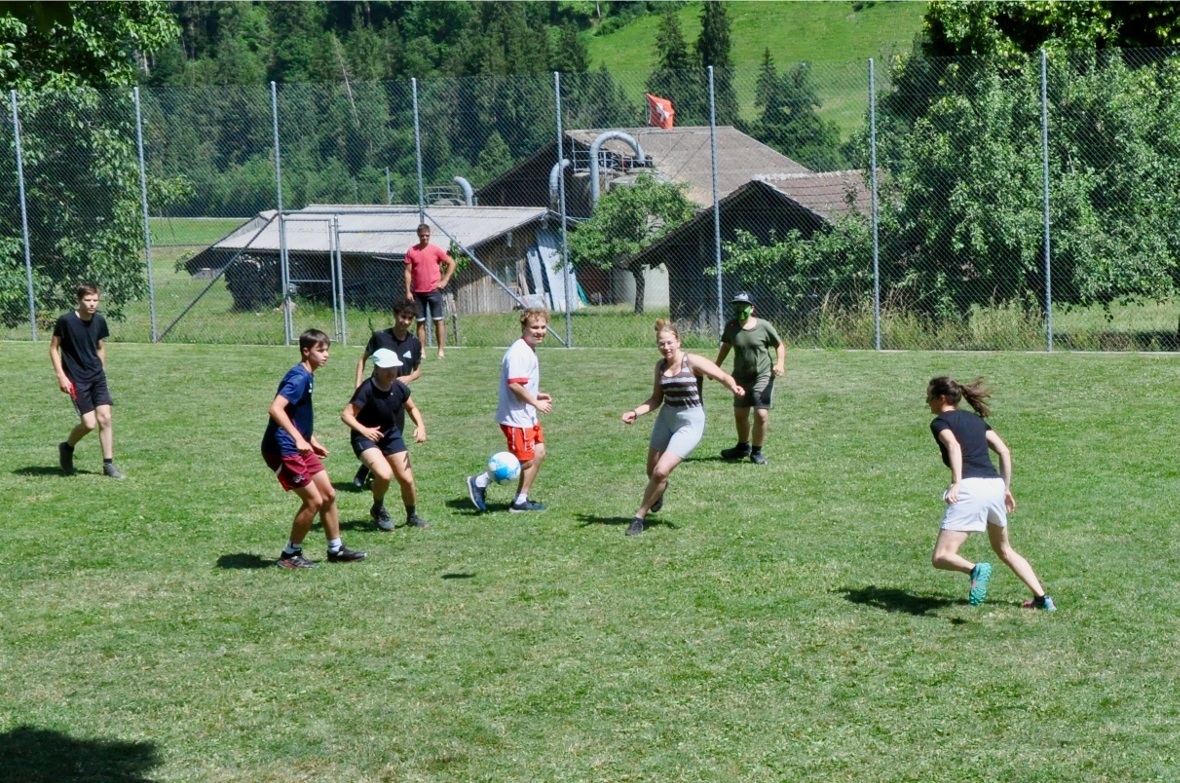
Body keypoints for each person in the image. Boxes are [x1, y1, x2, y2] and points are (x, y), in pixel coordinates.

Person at [926, 376, 1055, 610]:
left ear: (942, 398)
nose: (927, 402)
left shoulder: (940, 422)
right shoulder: (976, 421)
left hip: (970, 487)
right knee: (1004, 549)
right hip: (994, 486)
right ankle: (1043, 599)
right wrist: (1005, 488)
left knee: (942, 556)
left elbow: (954, 446)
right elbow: (1004, 451)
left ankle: (975, 570)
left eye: (929, 396)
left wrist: (957, 482)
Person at [620, 319, 745, 536]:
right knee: (652, 471)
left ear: (678, 341)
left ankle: (639, 517)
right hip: (666, 417)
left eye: (669, 343)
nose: (666, 348)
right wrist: (635, 412)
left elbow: (720, 374)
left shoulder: (692, 361)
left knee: (660, 471)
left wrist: (734, 387)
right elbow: (656, 398)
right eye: (661, 344)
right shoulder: (660, 366)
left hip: (690, 421)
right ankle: (659, 491)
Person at [262, 328, 366, 569]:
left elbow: (295, 414)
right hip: (283, 449)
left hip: (299, 445)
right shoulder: (298, 378)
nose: (326, 354)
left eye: (327, 349)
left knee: (328, 494)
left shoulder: (308, 374)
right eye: (321, 350)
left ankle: (336, 548)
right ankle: (290, 554)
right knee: (313, 501)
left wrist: (310, 439)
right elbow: (276, 409)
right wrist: (299, 439)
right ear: (306, 351)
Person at [466, 308, 553, 514]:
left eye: (542, 327)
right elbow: (514, 385)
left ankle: (520, 501)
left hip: (527, 415)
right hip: (516, 418)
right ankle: (479, 481)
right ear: (524, 327)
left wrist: (536, 394)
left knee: (538, 453)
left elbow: (521, 383)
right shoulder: (519, 352)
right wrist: (535, 402)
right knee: (524, 461)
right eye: (535, 327)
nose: (540, 331)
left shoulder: (528, 349)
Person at [342, 348, 429, 532]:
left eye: (394, 368)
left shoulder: (399, 387)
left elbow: (412, 408)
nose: (391, 372)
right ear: (376, 368)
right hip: (365, 438)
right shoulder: (366, 389)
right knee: (383, 474)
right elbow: (347, 415)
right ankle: (378, 508)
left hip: (390, 435)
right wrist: (364, 430)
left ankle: (412, 516)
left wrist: (420, 426)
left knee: (406, 479)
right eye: (386, 368)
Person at [50, 282, 125, 478]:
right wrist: (61, 376)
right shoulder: (65, 321)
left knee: (105, 418)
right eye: (87, 300)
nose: (92, 304)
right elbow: (53, 348)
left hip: (97, 377)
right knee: (89, 424)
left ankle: (108, 465)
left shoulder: (99, 321)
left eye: (95, 300)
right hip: (76, 380)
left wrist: (102, 370)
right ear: (79, 300)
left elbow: (100, 347)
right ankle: (66, 447)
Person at [352, 298, 423, 488]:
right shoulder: (381, 337)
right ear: (395, 315)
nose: (406, 322)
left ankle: (367, 473)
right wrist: (358, 384)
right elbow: (362, 360)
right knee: (375, 433)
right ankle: (369, 472)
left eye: (409, 318)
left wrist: (409, 378)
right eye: (403, 317)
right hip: (377, 394)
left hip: (399, 396)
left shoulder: (414, 342)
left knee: (393, 436)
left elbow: (418, 370)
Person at [715, 291, 785, 465]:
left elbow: (779, 345)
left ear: (752, 308)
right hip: (740, 377)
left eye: (743, 306)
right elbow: (726, 346)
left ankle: (757, 451)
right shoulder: (731, 326)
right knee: (740, 414)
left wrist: (780, 364)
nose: (740, 309)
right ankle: (742, 447)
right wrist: (716, 367)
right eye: (736, 305)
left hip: (763, 375)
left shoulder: (764, 326)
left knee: (760, 414)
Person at [404, 223, 455, 359]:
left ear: (430, 235)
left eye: (427, 235)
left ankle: (440, 351)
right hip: (418, 293)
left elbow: (452, 263)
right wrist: (408, 291)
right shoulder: (411, 251)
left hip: (434, 291)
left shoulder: (436, 250)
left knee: (438, 320)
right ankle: (422, 351)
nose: (425, 238)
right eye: (422, 236)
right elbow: (408, 272)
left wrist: (444, 281)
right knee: (420, 322)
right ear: (418, 235)